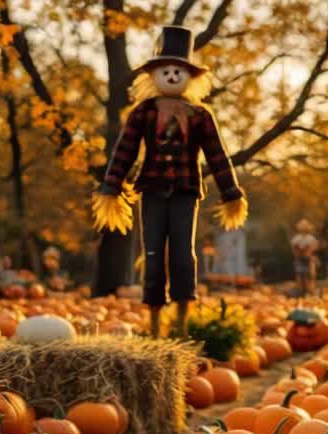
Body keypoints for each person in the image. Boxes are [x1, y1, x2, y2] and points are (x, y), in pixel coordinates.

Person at [92, 25, 247, 338]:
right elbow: (125, 150)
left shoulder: (200, 115)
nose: (173, 76)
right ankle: (153, 321)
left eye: (179, 71)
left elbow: (217, 155)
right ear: (154, 75)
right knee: (152, 254)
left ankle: (181, 322)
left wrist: (231, 192)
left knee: (182, 254)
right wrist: (111, 185)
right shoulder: (142, 112)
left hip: (186, 192)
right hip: (150, 189)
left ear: (190, 76)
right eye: (167, 70)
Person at [291, 219, 319, 296]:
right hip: (305, 259)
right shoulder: (309, 238)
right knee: (305, 276)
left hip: (304, 259)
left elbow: (294, 249)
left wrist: (301, 252)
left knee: (304, 275)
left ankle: (305, 291)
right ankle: (305, 291)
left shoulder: (297, 238)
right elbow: (314, 247)